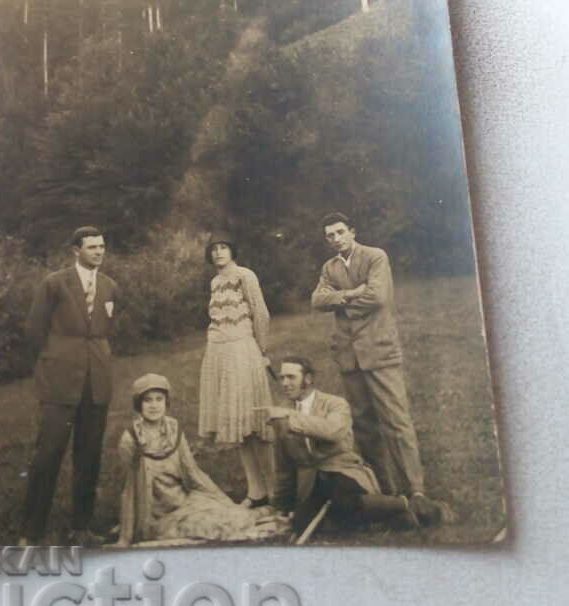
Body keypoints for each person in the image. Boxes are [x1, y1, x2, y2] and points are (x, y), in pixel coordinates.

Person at [311, 212, 443, 525]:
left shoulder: (375, 257)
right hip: (348, 357)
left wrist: (340, 300)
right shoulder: (329, 268)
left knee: (396, 421)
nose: (335, 239)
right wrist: (351, 294)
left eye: (340, 232)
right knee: (365, 425)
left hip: (380, 352)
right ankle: (387, 490)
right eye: (329, 235)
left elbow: (378, 297)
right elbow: (317, 300)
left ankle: (416, 490)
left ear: (352, 232)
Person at [19, 225, 117, 545]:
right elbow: (34, 331)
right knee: (47, 456)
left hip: (96, 384)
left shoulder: (110, 286)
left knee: (89, 458)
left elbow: (110, 329)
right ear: (76, 250)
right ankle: (31, 534)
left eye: (102, 246)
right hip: (60, 383)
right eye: (92, 247)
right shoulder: (54, 284)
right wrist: (51, 364)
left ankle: (81, 527)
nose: (99, 252)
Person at [263, 357, 421, 539]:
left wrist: (292, 418)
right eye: (282, 378)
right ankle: (389, 515)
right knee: (302, 523)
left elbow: (333, 431)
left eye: (291, 377)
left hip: (342, 472)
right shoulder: (282, 414)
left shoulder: (335, 404)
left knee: (341, 499)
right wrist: (282, 506)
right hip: (312, 483)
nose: (284, 383)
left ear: (307, 379)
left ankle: (401, 504)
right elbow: (285, 466)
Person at [115, 374, 277, 546]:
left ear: (166, 402)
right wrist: (124, 538)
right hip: (158, 515)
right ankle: (264, 514)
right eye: (147, 400)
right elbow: (128, 488)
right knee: (216, 527)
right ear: (138, 404)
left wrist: (223, 501)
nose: (154, 405)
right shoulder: (131, 438)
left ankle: (266, 512)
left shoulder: (173, 429)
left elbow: (192, 472)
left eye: (159, 399)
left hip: (185, 501)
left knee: (228, 513)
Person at [198, 232, 274, 507]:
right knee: (237, 423)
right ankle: (256, 491)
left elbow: (261, 313)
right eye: (214, 249)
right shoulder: (215, 281)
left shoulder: (246, 276)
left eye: (223, 248)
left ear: (232, 251)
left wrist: (262, 350)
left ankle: (276, 490)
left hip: (243, 350)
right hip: (218, 351)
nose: (218, 253)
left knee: (255, 423)